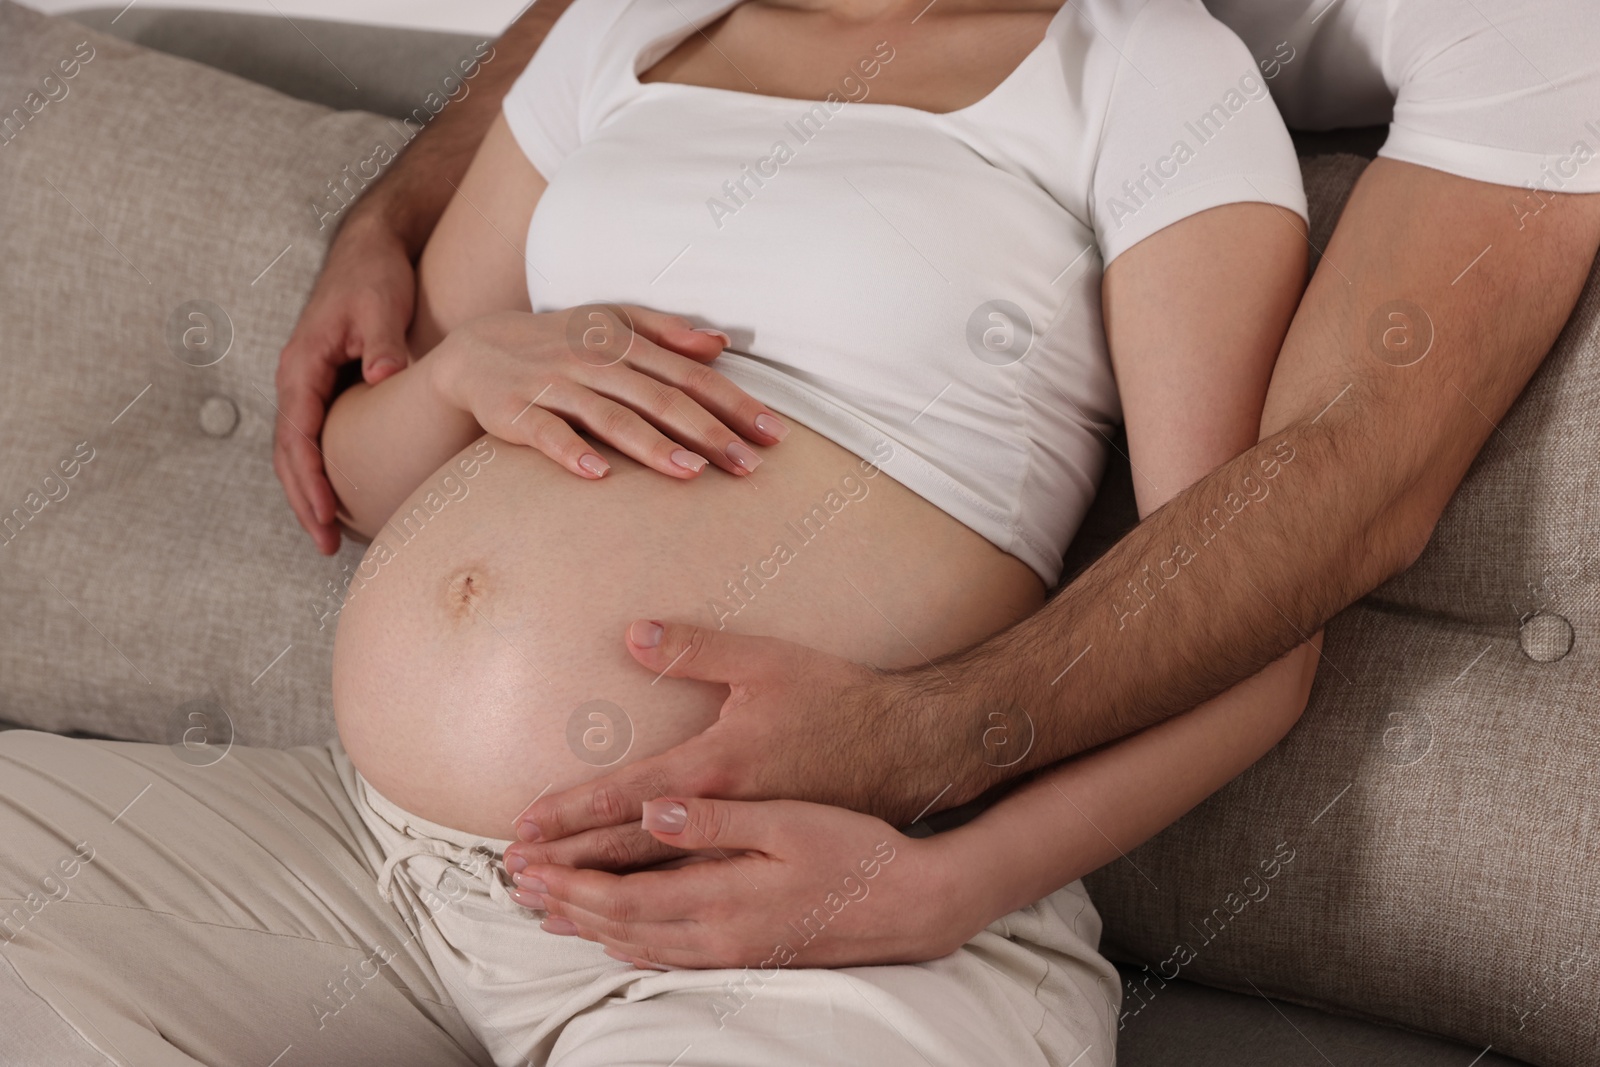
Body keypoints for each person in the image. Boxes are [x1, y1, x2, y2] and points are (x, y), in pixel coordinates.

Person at [2, 1, 1317, 1064]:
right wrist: (465, 378)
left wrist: (950, 887)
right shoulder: (622, 35)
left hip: (793, 917)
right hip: (378, 859)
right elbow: (360, 480)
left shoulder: (1145, 73)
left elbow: (1248, 627)